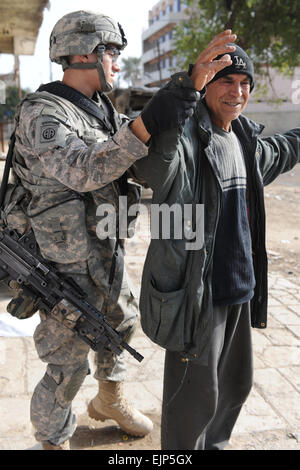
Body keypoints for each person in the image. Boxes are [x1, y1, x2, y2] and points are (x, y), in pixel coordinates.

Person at [9, 10, 199, 450]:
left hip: (101, 248)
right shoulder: (43, 113)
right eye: (110, 51)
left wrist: (174, 109)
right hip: (59, 262)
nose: (117, 61)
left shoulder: (99, 109)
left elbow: (128, 156)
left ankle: (110, 398)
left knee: (119, 323)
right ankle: (52, 440)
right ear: (81, 53)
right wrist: (147, 123)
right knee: (67, 364)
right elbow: (83, 169)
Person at [133, 30, 300, 450]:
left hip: (240, 289)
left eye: (245, 83)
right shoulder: (185, 138)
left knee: (235, 389)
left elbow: (279, 150)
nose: (237, 91)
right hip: (198, 297)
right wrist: (183, 87)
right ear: (207, 84)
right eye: (226, 80)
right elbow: (157, 167)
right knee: (194, 402)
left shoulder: (243, 139)